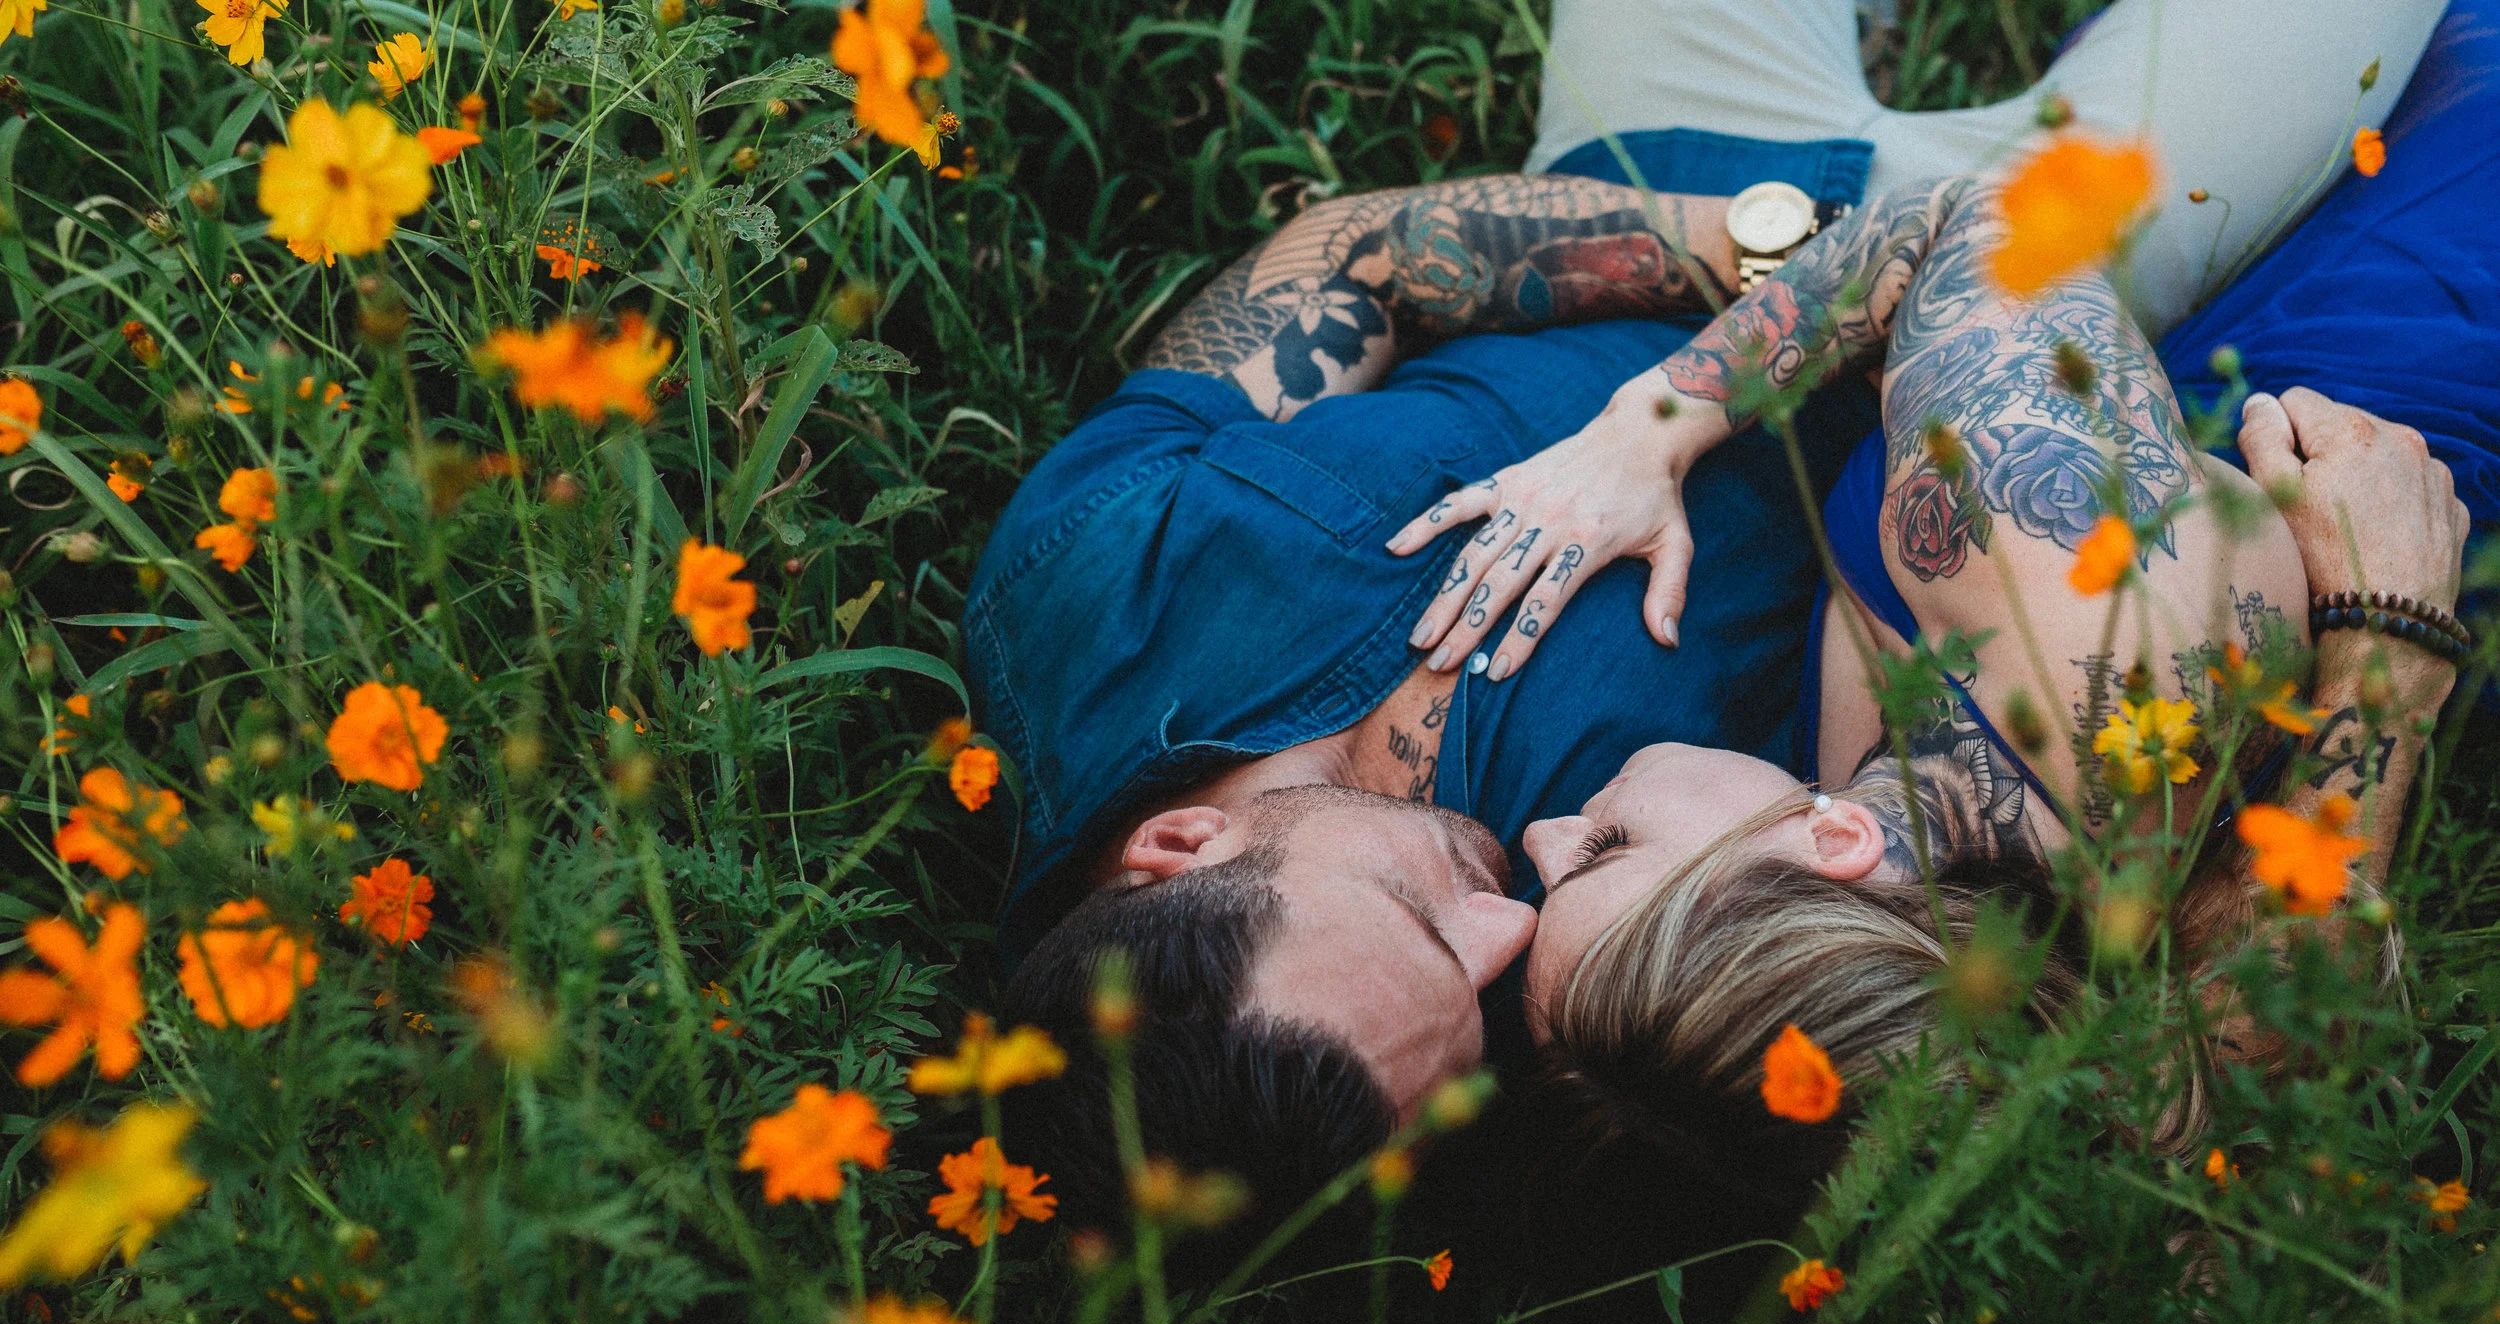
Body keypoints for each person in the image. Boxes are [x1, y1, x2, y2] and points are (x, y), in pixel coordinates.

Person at [965, 0, 2445, 1245]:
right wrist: (2386, 649)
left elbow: (1357, 256)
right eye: (1481, 1005)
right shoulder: (1620, 1003)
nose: (1506, 919)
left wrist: (1750, 263)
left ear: (1181, 849)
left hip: (1671, 187)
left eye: (1425, 922)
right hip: (2028, 334)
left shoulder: (1077, 601)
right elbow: (2165, 1054)